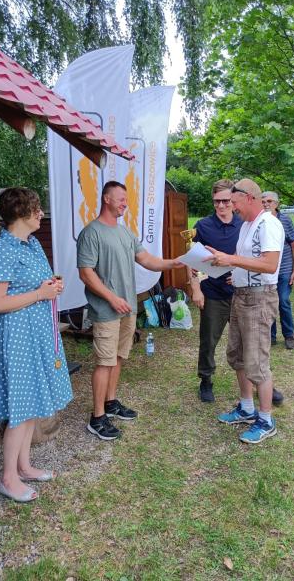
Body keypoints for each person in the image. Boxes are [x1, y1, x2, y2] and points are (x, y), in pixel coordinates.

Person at [77, 181, 184, 441]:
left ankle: (111, 402)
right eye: (121, 199)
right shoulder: (91, 233)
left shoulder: (125, 233)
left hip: (127, 308)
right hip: (106, 309)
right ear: (106, 199)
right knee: (104, 362)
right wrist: (112, 298)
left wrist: (178, 261)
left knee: (119, 357)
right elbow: (85, 273)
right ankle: (98, 417)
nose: (125, 203)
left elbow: (148, 260)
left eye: (126, 199)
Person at [0, 188, 72, 502]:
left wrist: (51, 287)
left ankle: (23, 466)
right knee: (21, 408)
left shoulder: (32, 244)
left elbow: (39, 286)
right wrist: (39, 294)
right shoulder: (2, 251)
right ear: (21, 213)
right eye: (36, 210)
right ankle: (8, 478)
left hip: (37, 333)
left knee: (32, 402)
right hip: (18, 336)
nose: (41, 215)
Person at [205, 178, 284, 444]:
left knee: (256, 361)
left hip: (259, 299)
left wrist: (232, 260)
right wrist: (223, 260)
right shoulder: (248, 225)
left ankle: (265, 419)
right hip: (241, 295)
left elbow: (270, 264)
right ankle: (247, 409)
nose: (232, 207)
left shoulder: (268, 224)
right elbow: (247, 261)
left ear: (249, 198)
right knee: (237, 355)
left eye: (234, 202)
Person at [188, 179, 243, 402]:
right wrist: (195, 289)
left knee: (248, 340)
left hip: (241, 293)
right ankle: (206, 379)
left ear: (234, 200)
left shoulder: (244, 225)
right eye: (216, 202)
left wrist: (240, 273)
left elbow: (253, 258)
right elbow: (191, 260)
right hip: (212, 293)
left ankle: (257, 380)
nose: (221, 206)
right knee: (209, 340)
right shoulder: (202, 226)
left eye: (226, 201)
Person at [262, 191, 294, 349]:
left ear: (277, 204)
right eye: (263, 201)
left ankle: (289, 335)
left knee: (283, 301)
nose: (266, 204)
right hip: (266, 270)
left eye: (270, 201)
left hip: (284, 269)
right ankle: (271, 336)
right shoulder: (260, 221)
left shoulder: (285, 220)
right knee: (268, 303)